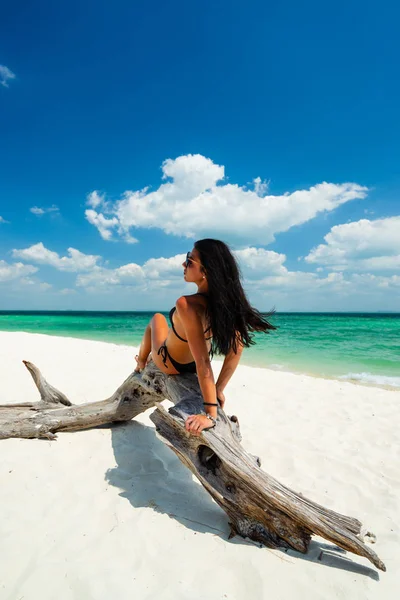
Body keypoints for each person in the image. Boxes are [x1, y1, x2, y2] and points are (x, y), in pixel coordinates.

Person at [134, 239, 276, 436]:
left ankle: (141, 362)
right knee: (167, 330)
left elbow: (203, 362)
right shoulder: (226, 306)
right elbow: (236, 349)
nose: (183, 265)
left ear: (205, 271)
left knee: (156, 319)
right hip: (192, 364)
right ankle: (143, 360)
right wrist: (218, 389)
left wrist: (210, 414)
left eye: (189, 261)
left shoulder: (186, 304)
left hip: (170, 363)